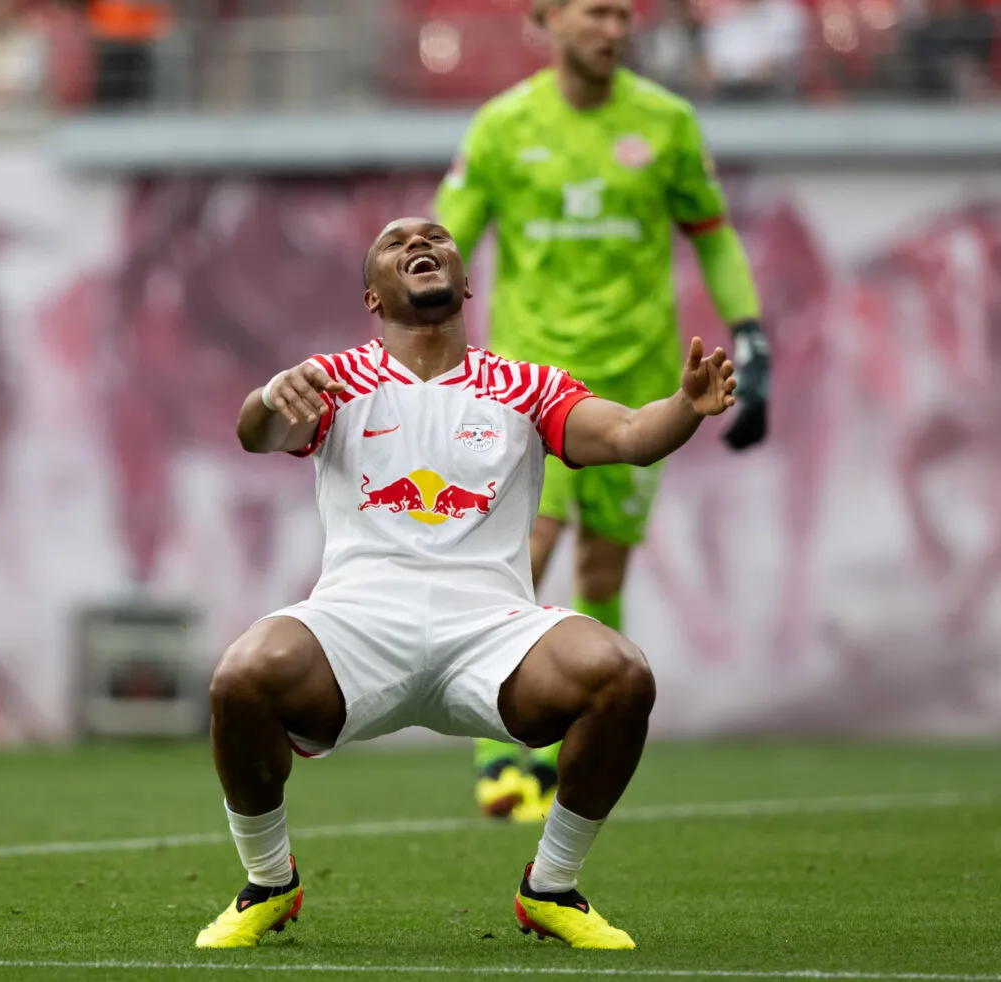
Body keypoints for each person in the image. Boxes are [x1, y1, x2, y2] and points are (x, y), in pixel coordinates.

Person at [197, 216, 738, 950]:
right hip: (357, 623)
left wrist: (685, 409)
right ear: (371, 298)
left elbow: (628, 434)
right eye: (396, 243)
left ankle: (551, 889)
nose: (421, 244)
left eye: (436, 238)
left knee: (621, 674)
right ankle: (268, 883)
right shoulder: (333, 380)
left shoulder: (523, 387)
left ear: (465, 280)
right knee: (240, 676)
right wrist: (268, 397)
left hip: (492, 630)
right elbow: (255, 434)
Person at [433, 0, 770, 822]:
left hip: (635, 388)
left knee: (604, 570)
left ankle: (570, 744)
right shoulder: (503, 128)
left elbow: (713, 235)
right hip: (530, 385)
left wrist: (751, 336)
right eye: (595, 11)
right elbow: (444, 244)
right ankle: (497, 749)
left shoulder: (666, 124)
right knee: (530, 546)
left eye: (624, 13)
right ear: (547, 19)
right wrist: (427, 364)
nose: (612, 28)